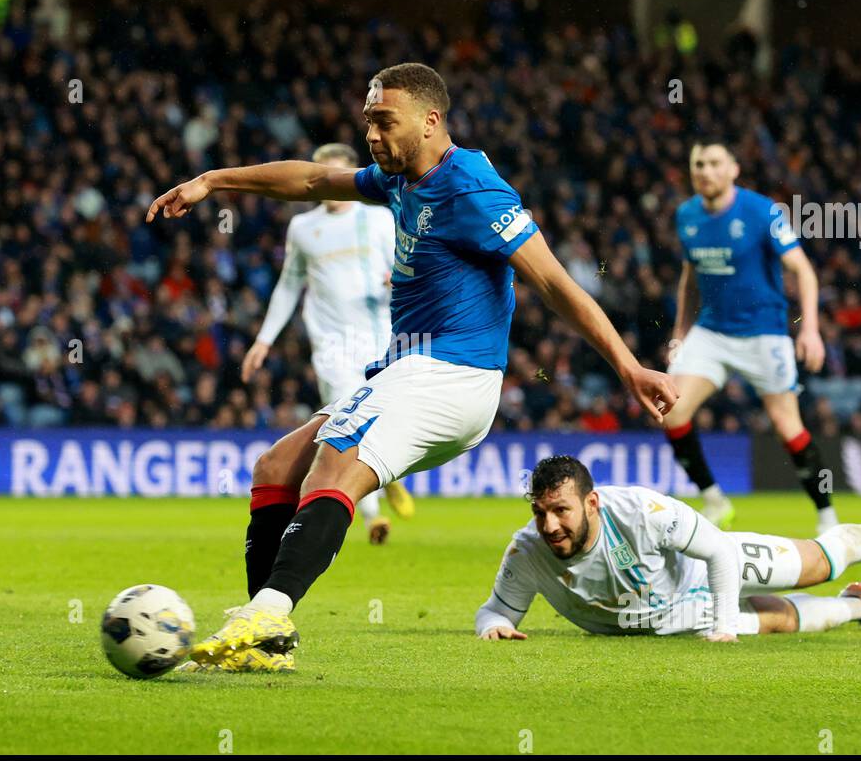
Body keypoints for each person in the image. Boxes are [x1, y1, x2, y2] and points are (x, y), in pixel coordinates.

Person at [148, 62, 677, 672]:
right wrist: (214, 181)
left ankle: (269, 612)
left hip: (455, 373)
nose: (372, 135)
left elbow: (555, 283)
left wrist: (628, 367)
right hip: (408, 370)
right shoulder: (399, 179)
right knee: (274, 469)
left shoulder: (472, 188)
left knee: (336, 462)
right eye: (368, 121)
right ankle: (264, 639)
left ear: (430, 122)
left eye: (383, 121)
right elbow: (316, 180)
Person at [476, 456, 861, 642]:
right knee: (781, 619)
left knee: (814, 566)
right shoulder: (527, 552)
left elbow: (717, 552)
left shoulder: (643, 513)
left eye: (560, 511)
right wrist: (495, 626)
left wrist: (721, 623)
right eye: (540, 511)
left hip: (704, 571)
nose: (550, 525)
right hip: (672, 621)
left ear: (591, 502)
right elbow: (495, 610)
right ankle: (859, 605)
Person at [242, 142, 415, 544]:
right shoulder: (303, 228)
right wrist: (263, 341)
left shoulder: (379, 219)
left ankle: (388, 479)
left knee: (377, 421)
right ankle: (372, 517)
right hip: (331, 345)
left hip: (381, 339)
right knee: (343, 422)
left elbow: (410, 262)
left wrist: (399, 278)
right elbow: (288, 285)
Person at [664, 138, 838, 534]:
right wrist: (679, 334)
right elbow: (689, 280)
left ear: (733, 170)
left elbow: (804, 270)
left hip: (764, 334)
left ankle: (827, 515)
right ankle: (714, 499)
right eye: (698, 165)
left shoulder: (762, 212)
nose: (705, 171)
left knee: (787, 427)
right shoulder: (686, 216)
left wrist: (809, 328)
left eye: (713, 163)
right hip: (712, 332)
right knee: (672, 411)